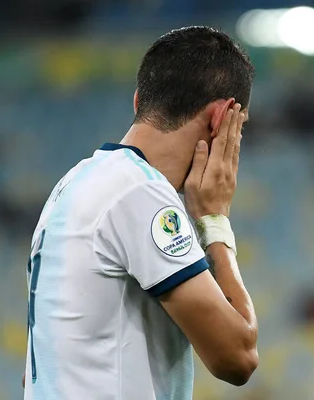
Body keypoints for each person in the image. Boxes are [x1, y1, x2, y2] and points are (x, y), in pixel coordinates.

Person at [23, 26, 258, 399]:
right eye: (239, 128)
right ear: (221, 118)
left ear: (138, 103)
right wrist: (215, 220)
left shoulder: (71, 186)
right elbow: (238, 356)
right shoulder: (140, 192)